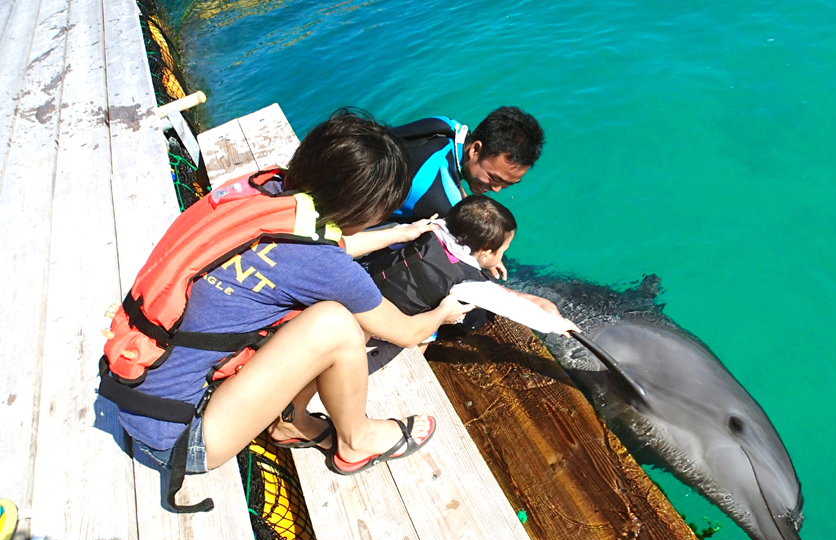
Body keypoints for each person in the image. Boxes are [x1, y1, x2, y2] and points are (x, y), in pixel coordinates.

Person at [100, 109, 472, 507]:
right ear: (364, 210)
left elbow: (315, 250)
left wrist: (397, 234)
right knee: (338, 324)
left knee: (334, 310)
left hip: (138, 384)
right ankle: (356, 440)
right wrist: (444, 312)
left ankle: (291, 423)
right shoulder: (323, 265)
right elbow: (407, 333)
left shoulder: (261, 193)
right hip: (180, 437)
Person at [361, 195, 576, 332]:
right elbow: (510, 306)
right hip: (388, 323)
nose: (501, 256)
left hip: (363, 285)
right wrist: (556, 325)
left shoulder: (428, 228)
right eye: (502, 251)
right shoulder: (466, 281)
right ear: (485, 253)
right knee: (431, 334)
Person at [390, 106, 544, 233]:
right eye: (494, 178)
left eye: (507, 184)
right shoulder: (440, 200)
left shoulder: (444, 125)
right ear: (475, 149)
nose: (496, 190)